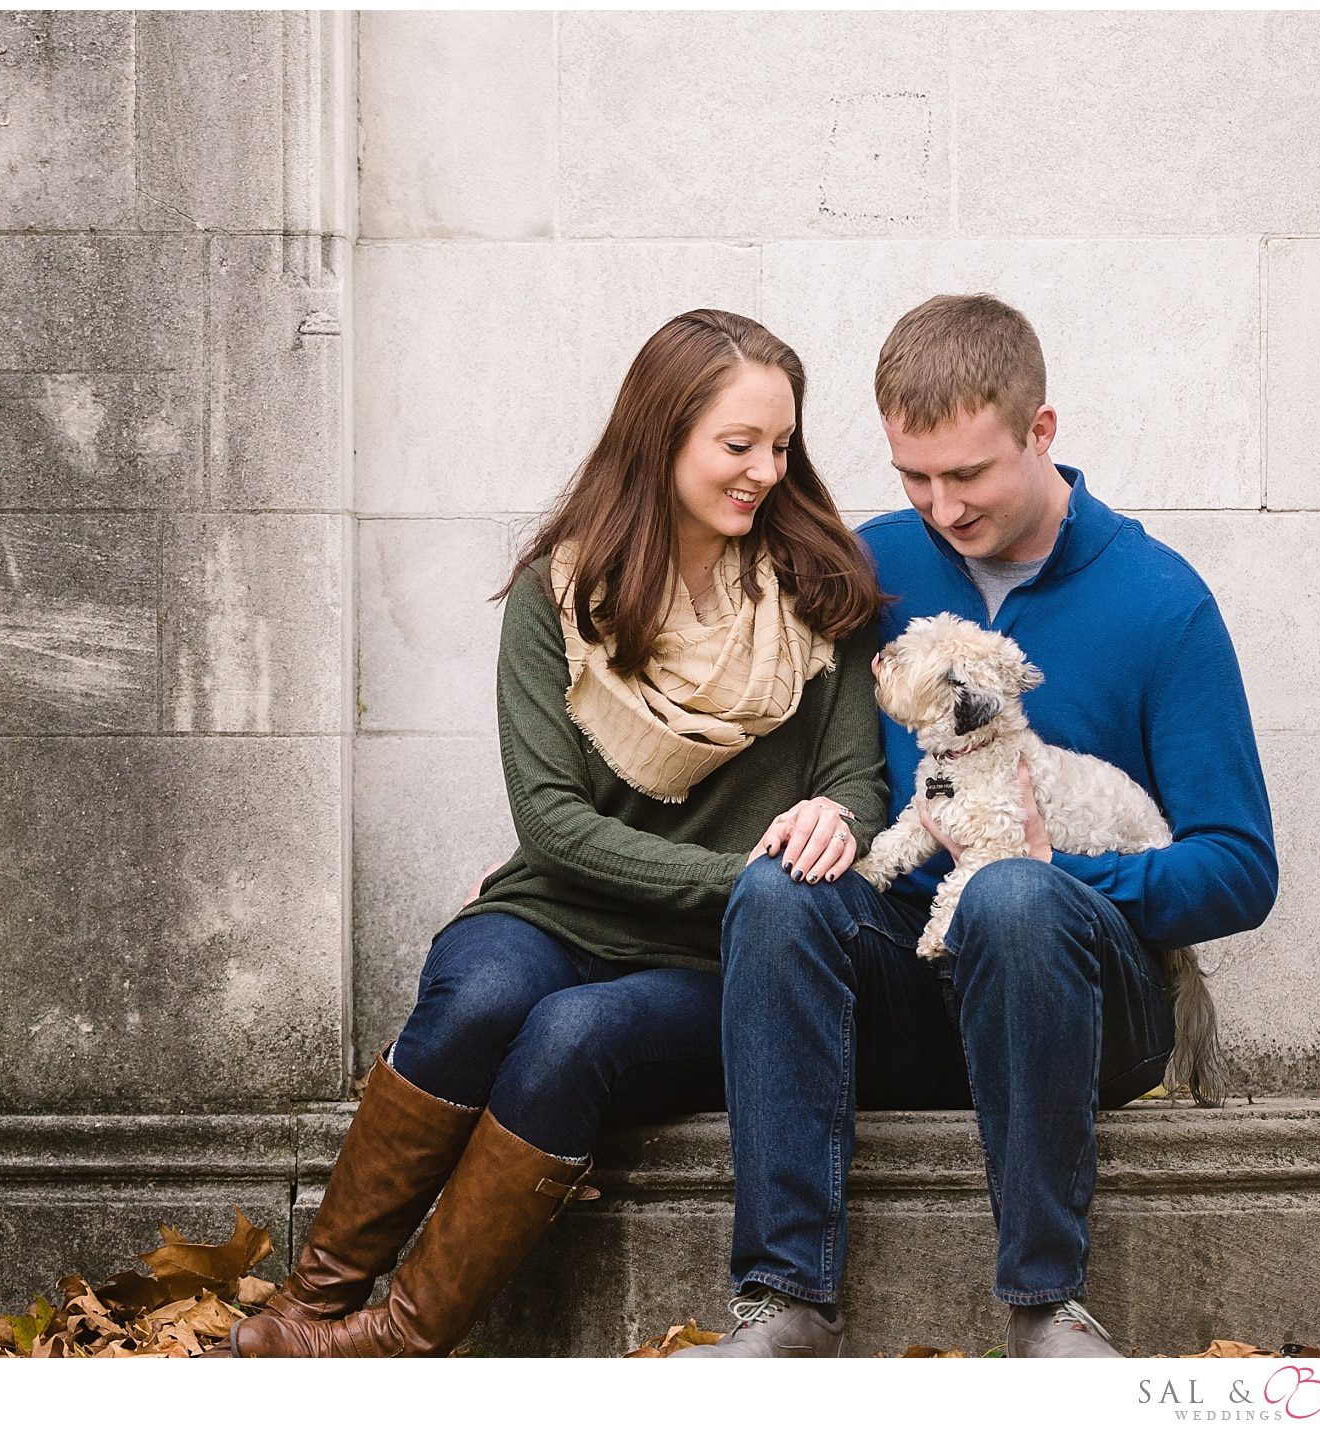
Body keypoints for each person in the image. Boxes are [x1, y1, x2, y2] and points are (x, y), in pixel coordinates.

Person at [221, 309, 889, 1358]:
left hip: (712, 962)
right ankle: (311, 1301)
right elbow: (555, 828)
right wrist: (747, 879)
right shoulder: (559, 594)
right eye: (737, 444)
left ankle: (396, 1338)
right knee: (484, 994)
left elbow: (854, 781)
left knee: (568, 1036)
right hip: (556, 910)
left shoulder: (818, 590)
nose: (765, 469)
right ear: (660, 433)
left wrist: (831, 821)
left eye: (781, 444)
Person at [676, 294, 1278, 1360]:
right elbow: (737, 697)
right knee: (776, 889)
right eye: (913, 477)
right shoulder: (872, 568)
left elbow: (1238, 869)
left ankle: (1045, 1305)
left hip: (1084, 1007)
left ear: (1039, 432)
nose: (939, 507)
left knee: (1011, 895)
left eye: (966, 475)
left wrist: (1064, 875)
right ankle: (785, 1301)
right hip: (912, 991)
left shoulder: (1157, 602)